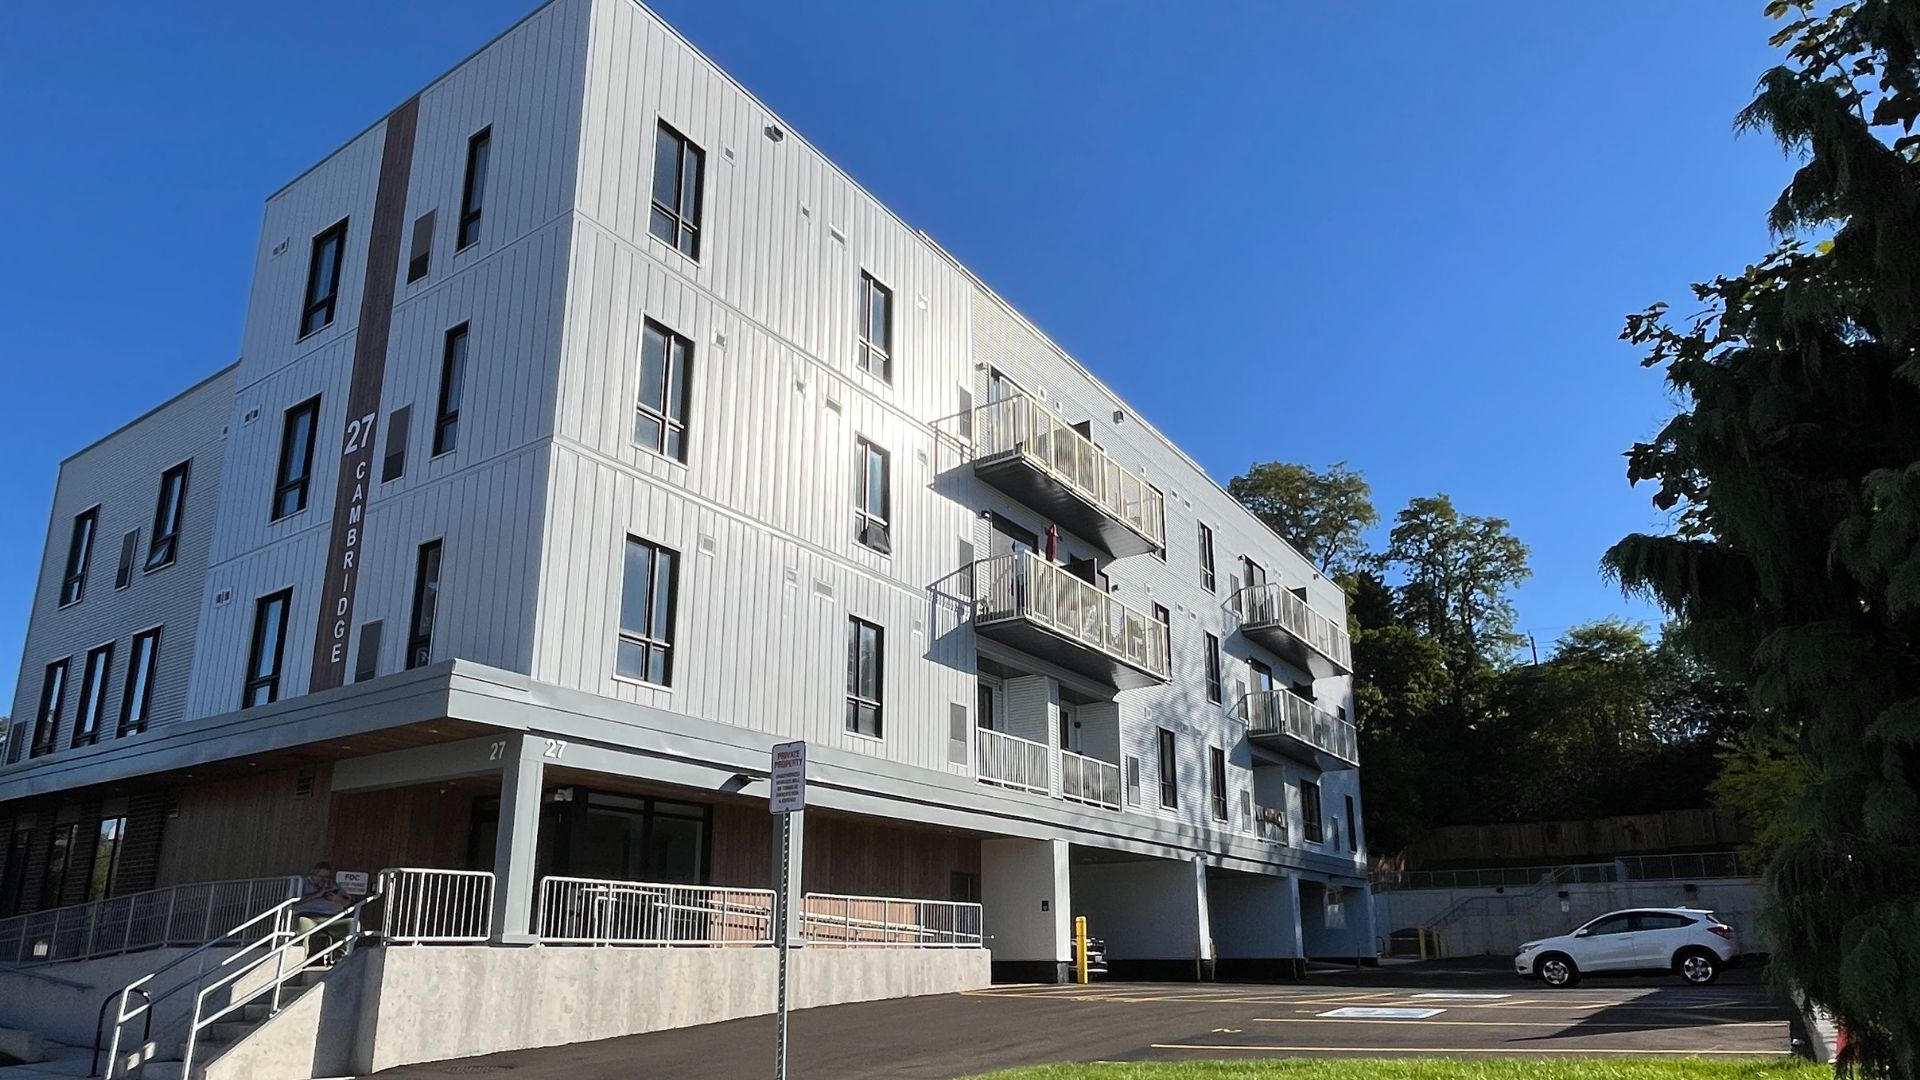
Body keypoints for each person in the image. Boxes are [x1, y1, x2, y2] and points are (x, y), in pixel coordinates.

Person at [292, 861, 351, 961]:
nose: (324, 879)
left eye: (326, 877)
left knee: (351, 924)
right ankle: (299, 959)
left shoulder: (333, 885)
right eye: (321, 876)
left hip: (332, 918)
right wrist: (318, 894)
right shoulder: (302, 883)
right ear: (313, 875)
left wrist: (336, 898)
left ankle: (340, 958)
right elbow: (294, 902)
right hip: (309, 916)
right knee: (301, 924)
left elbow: (347, 902)